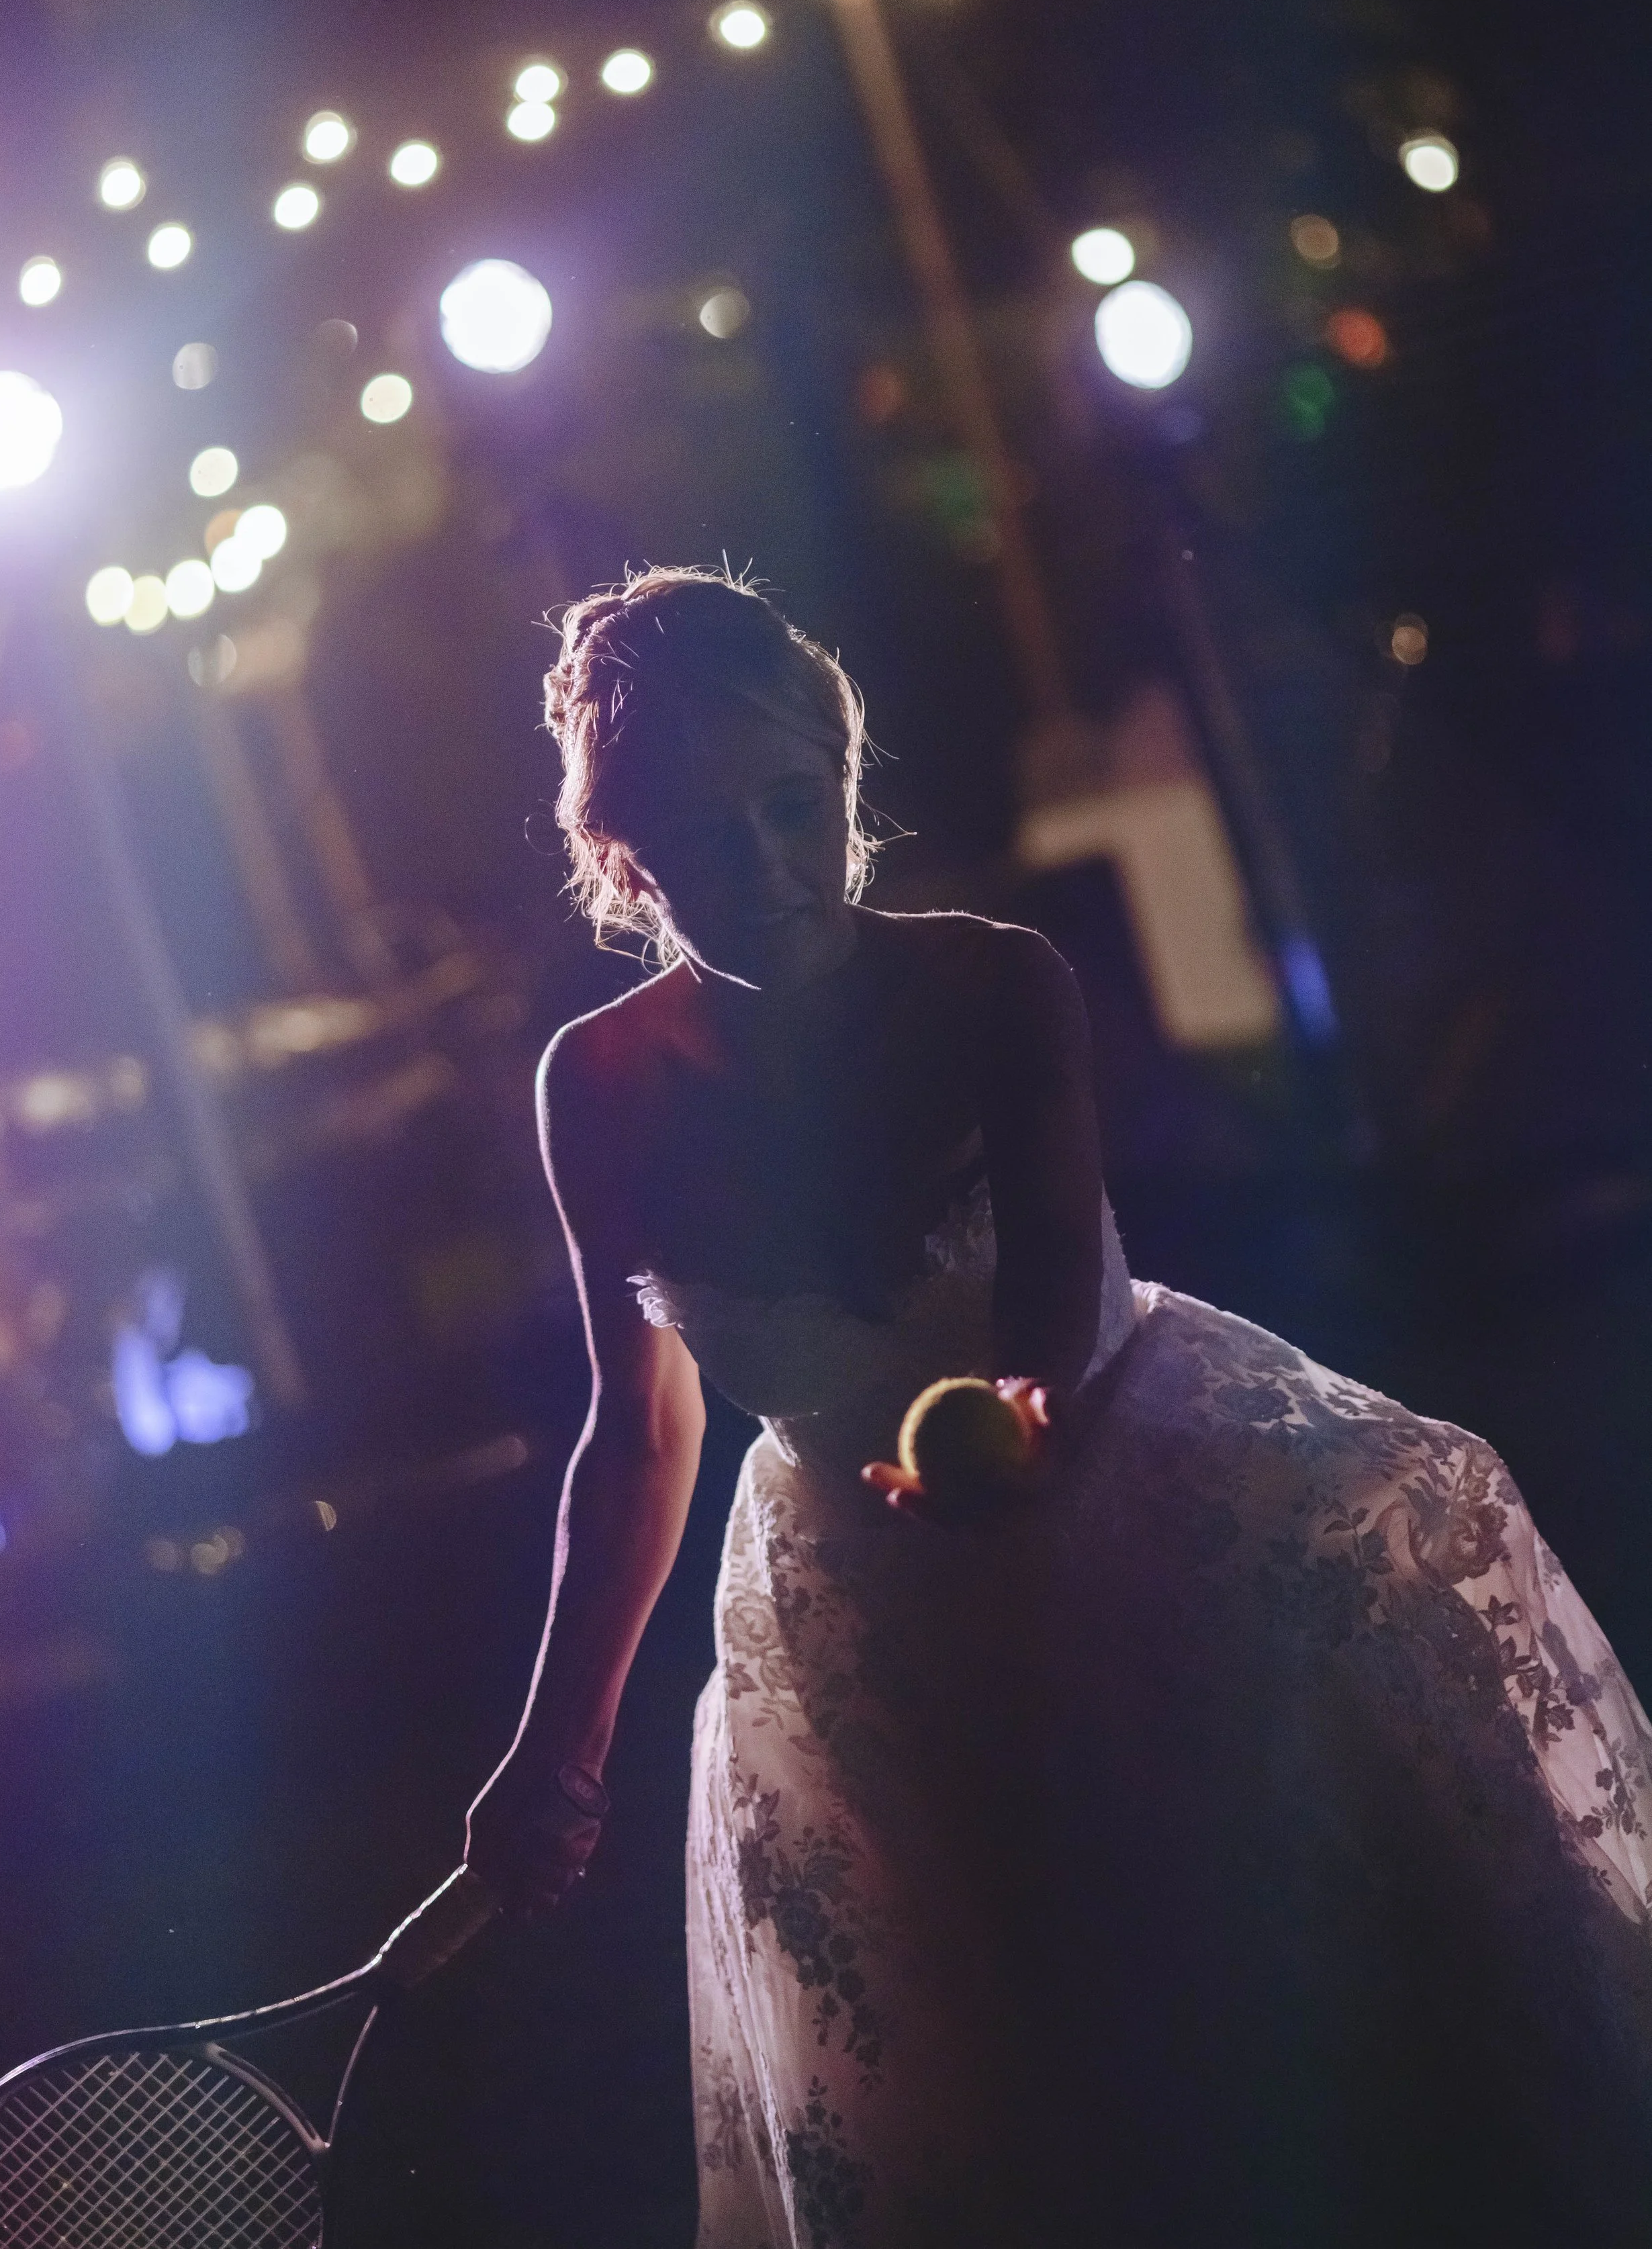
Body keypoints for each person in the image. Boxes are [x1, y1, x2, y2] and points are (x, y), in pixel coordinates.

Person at [466, 567, 1652, 2248]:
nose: (769, 861)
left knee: (1319, 2014)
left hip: (1137, 1511)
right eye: (702, 831)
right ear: (625, 853)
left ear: (842, 773)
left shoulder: (993, 980)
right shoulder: (594, 1084)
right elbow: (638, 1424)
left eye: (791, 803)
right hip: (857, 1620)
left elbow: (1042, 1296)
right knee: (1037, 2090)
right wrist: (556, 1746)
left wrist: (1011, 1428)